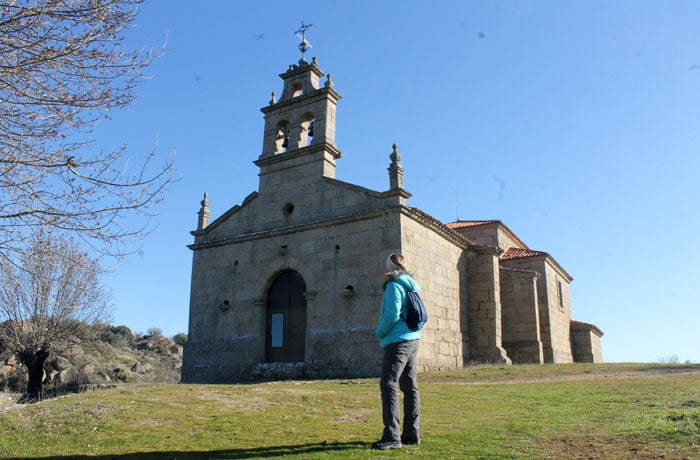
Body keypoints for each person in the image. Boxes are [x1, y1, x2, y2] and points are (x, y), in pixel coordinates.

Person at [372, 253, 422, 450]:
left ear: (389, 267)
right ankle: (412, 433)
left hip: (398, 341)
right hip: (412, 339)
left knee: (388, 383)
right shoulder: (412, 286)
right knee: (410, 386)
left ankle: (392, 435)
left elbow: (392, 314)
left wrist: (379, 332)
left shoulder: (394, 285)